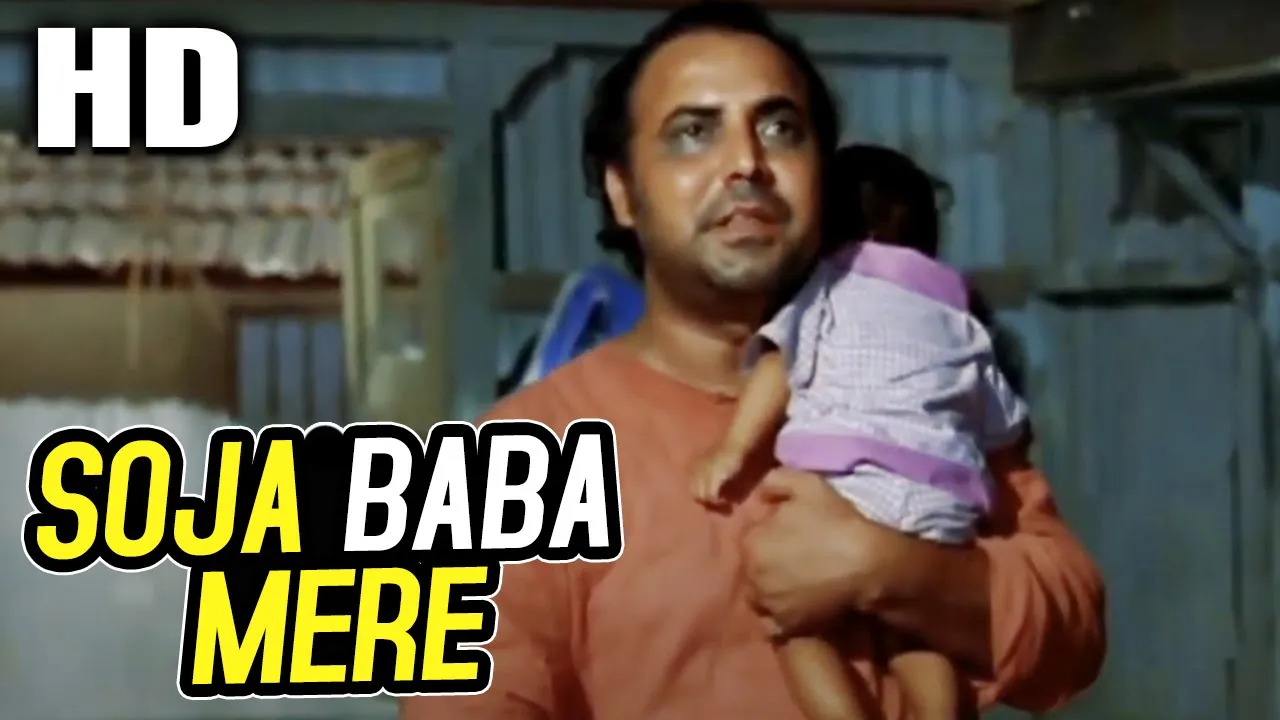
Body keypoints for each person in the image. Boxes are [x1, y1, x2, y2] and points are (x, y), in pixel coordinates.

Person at [401, 2, 1105, 719]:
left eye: (780, 129)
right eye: (693, 132)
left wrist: (892, 571)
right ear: (623, 192)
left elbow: (1074, 630)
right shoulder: (511, 458)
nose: (746, 163)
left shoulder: (917, 381)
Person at [690, 165, 1029, 718]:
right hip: (942, 499)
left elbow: (779, 365)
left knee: (792, 621)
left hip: (848, 479)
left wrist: (731, 450)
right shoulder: (957, 312)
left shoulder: (831, 283)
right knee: (918, 632)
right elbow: (1002, 418)